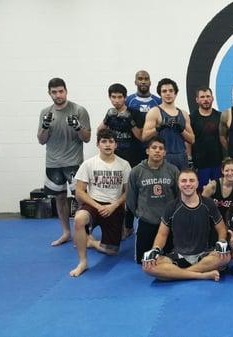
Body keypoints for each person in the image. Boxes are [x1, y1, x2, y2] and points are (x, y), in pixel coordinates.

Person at [142, 169, 230, 281]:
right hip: (179, 256)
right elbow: (162, 234)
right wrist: (155, 249)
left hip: (203, 256)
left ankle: (177, 275)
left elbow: (222, 228)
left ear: (197, 183)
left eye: (191, 180)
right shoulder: (171, 207)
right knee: (148, 267)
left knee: (225, 258)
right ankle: (200, 275)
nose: (188, 184)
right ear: (178, 184)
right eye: (184, 181)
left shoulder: (208, 204)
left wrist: (222, 241)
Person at [69, 129, 132, 277]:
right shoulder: (89, 164)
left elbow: (128, 192)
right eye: (104, 141)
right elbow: (79, 191)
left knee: (111, 251)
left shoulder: (124, 165)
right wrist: (97, 206)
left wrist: (114, 205)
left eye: (111, 141)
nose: (107, 145)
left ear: (116, 145)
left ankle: (90, 242)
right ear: (98, 144)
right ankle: (82, 262)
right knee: (79, 219)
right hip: (94, 203)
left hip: (114, 206)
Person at [37, 77, 91, 246]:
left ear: (66, 91)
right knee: (60, 198)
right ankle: (66, 232)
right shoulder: (45, 112)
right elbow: (41, 140)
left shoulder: (78, 110)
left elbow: (87, 138)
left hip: (74, 162)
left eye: (61, 91)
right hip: (53, 163)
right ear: (49, 93)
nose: (58, 95)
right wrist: (45, 126)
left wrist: (77, 127)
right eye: (54, 92)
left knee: (81, 198)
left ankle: (84, 234)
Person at [127, 136, 180, 264]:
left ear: (165, 152)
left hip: (167, 223)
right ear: (147, 151)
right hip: (146, 221)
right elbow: (131, 199)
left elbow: (179, 195)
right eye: (154, 148)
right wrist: (140, 214)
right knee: (143, 261)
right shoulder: (136, 171)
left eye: (161, 148)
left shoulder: (173, 170)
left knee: (170, 259)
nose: (157, 151)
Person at [97, 83, 138, 240]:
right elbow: (100, 130)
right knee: (116, 195)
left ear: (125, 98)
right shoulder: (110, 113)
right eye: (113, 97)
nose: (116, 100)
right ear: (109, 98)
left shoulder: (132, 113)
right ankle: (118, 227)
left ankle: (128, 227)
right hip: (114, 159)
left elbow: (141, 136)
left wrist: (131, 122)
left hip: (131, 158)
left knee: (130, 196)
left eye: (119, 97)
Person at [142, 78, 195, 170]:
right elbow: (145, 137)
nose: (168, 94)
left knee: (182, 184)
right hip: (162, 157)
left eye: (171, 91)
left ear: (175, 93)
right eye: (164, 91)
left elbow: (192, 139)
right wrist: (159, 127)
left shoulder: (184, 114)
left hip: (181, 157)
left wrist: (181, 130)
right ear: (160, 94)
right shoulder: (154, 112)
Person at [188, 86, 224, 188]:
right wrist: (189, 159)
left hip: (217, 163)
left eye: (208, 96)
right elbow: (188, 141)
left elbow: (224, 138)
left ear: (212, 98)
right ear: (197, 99)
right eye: (202, 97)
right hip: (199, 164)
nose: (205, 99)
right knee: (201, 193)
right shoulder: (192, 118)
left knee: (218, 192)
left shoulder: (220, 116)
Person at [126, 70, 162, 165]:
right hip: (133, 147)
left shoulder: (158, 101)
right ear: (135, 82)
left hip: (153, 146)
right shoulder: (128, 100)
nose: (143, 81)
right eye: (140, 79)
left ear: (150, 82)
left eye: (146, 79)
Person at [202, 157, 233, 224]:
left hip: (226, 221)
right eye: (227, 170)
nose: (230, 173)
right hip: (210, 220)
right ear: (222, 171)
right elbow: (201, 205)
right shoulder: (212, 186)